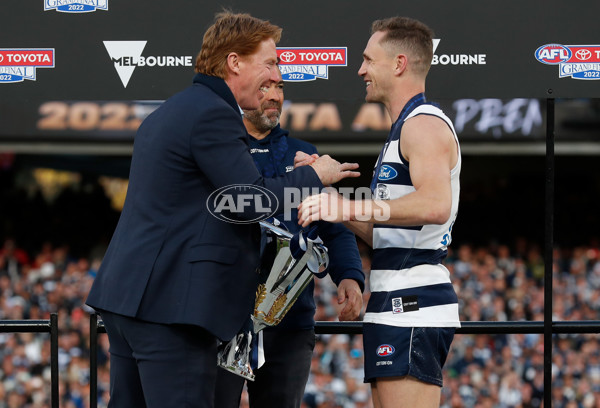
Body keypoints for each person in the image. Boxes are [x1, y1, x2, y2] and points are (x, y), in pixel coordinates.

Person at [85, 11, 359, 408]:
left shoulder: (171, 110)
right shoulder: (213, 113)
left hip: (132, 302)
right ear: (234, 62)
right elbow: (252, 199)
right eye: (270, 62)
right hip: (171, 310)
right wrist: (316, 175)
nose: (277, 75)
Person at [297, 16, 461, 408]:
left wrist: (346, 205)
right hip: (394, 301)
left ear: (399, 64)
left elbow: (436, 205)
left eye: (369, 59)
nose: (361, 69)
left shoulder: (422, 125)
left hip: (413, 305)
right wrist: (330, 198)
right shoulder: (403, 127)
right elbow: (391, 233)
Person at [214, 69, 365, 408]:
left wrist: (350, 277)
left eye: (279, 87)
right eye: (264, 87)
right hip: (222, 317)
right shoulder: (221, 152)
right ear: (242, 93)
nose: (274, 96)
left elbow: (331, 223)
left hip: (289, 320)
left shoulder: (304, 154)